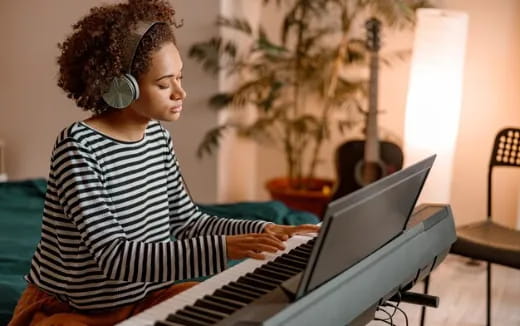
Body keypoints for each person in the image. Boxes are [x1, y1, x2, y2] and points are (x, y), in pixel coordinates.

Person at [7, 1, 319, 325]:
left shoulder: (158, 138)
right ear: (121, 87)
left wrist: (261, 230)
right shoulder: (78, 148)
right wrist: (225, 248)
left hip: (146, 297)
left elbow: (187, 223)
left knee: (221, 309)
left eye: (180, 78)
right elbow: (115, 258)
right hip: (74, 310)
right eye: (163, 84)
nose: (180, 92)